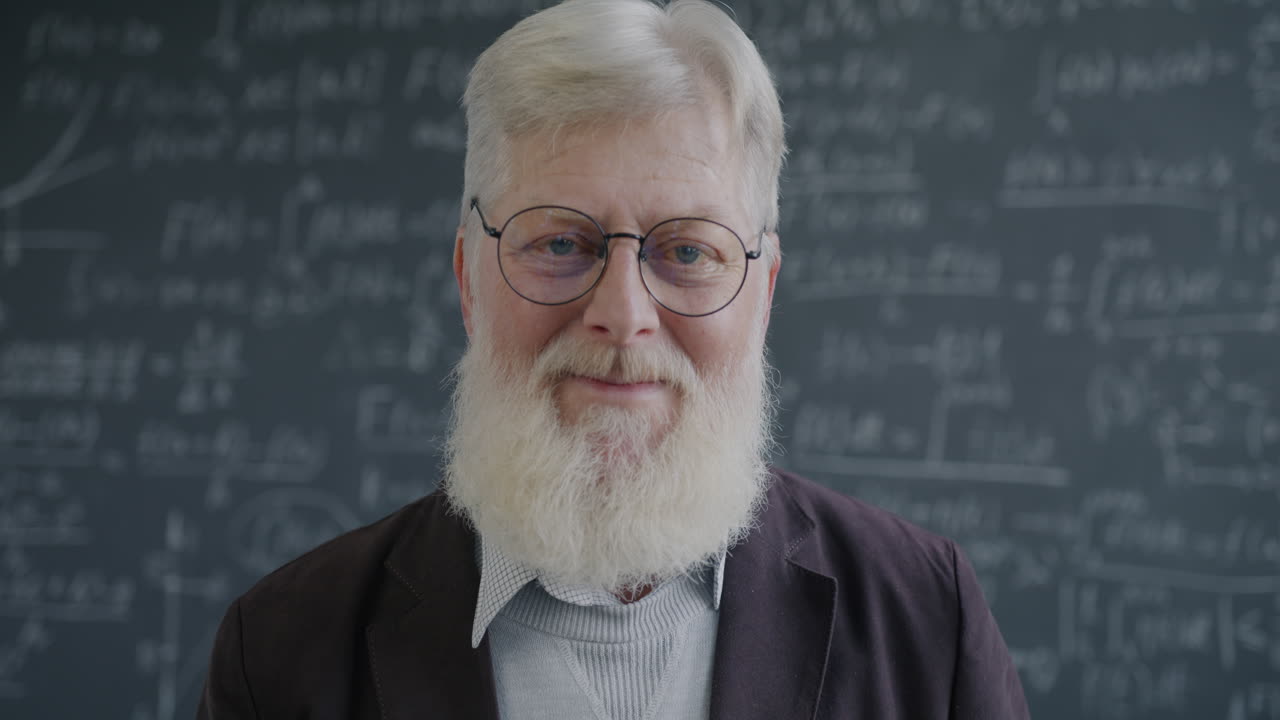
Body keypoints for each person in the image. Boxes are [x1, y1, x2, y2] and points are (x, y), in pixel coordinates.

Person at [197, 0, 1030, 717]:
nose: (623, 316)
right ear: (469, 280)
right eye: (560, 242)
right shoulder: (281, 653)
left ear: (763, 290)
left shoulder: (926, 619)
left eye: (687, 252)